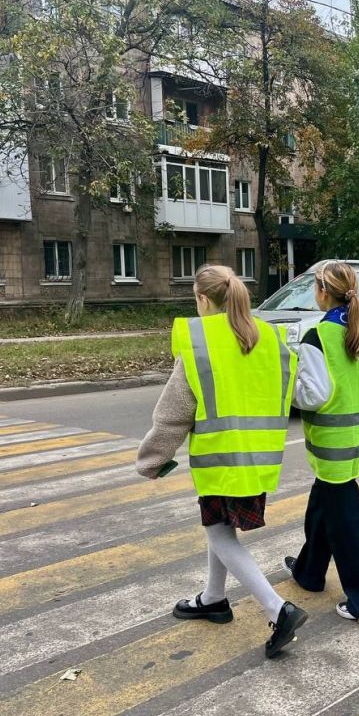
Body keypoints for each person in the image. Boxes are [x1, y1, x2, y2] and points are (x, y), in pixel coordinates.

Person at [137, 264, 307, 659]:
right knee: (219, 528)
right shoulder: (270, 336)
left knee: (218, 533)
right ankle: (213, 598)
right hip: (258, 457)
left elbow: (173, 413)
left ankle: (277, 609)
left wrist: (151, 460)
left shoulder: (201, 341)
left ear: (201, 298)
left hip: (219, 457)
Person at [283, 261, 359, 624]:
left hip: (332, 441)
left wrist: (287, 386)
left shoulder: (318, 336)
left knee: (347, 521)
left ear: (322, 292)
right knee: (323, 504)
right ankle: (309, 571)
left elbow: (314, 395)